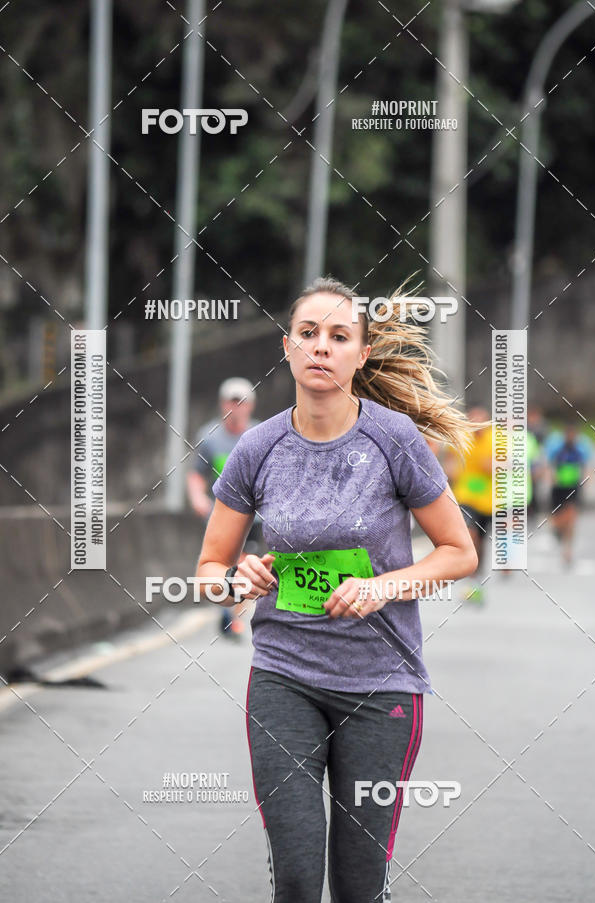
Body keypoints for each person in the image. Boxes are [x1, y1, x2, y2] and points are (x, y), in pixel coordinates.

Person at [195, 277, 478, 902]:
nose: (321, 347)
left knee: (357, 883)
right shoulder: (257, 448)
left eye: (339, 336)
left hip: (381, 686)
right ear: (288, 348)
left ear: (361, 353)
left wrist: (384, 587)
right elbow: (210, 568)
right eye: (308, 334)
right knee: (296, 876)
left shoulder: (394, 439)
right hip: (283, 678)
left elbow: (460, 553)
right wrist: (236, 579)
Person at [187, 377, 263, 637]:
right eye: (232, 401)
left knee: (243, 565)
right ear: (223, 404)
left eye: (242, 402)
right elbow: (196, 474)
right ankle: (227, 612)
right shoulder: (209, 438)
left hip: (253, 518)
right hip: (220, 516)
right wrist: (198, 497)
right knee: (221, 564)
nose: (237, 407)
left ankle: (232, 617)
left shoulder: (260, 435)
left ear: (250, 406)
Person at [442, 406, 493, 604]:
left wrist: (493, 466)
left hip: (488, 501)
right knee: (470, 535)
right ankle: (470, 580)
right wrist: (450, 470)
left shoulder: (496, 439)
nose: (476, 427)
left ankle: (476, 578)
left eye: (481, 424)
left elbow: (507, 463)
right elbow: (449, 460)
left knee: (481, 541)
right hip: (465, 497)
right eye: (473, 423)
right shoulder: (461, 437)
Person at [544, 420, 593, 566]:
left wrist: (587, 480)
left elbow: (586, 466)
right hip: (558, 487)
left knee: (571, 517)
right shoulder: (556, 447)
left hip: (574, 487)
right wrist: (550, 478)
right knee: (558, 518)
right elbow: (548, 464)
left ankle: (568, 550)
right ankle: (556, 529)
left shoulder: (581, 448)